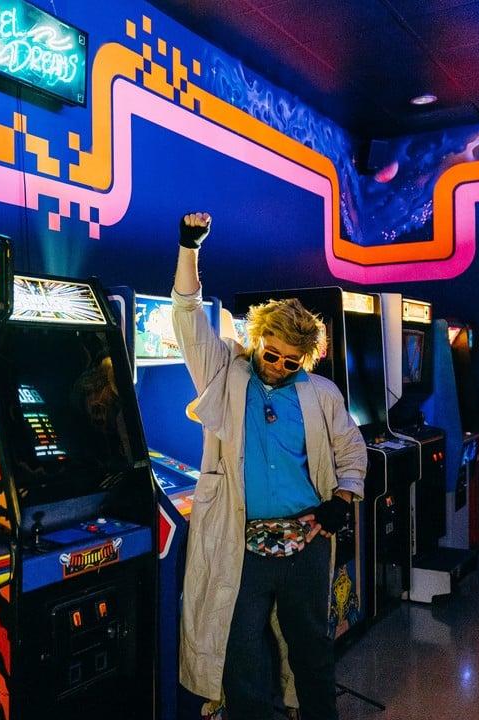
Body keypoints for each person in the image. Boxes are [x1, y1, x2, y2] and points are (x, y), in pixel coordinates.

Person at [172, 212, 367, 720]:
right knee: (241, 659)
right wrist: (190, 248)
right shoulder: (225, 375)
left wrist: (342, 500)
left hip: (305, 541)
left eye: (290, 361)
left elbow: (352, 452)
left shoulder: (321, 394)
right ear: (257, 339)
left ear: (306, 359)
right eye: (271, 354)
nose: (278, 366)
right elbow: (188, 314)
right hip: (241, 542)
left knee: (312, 652)